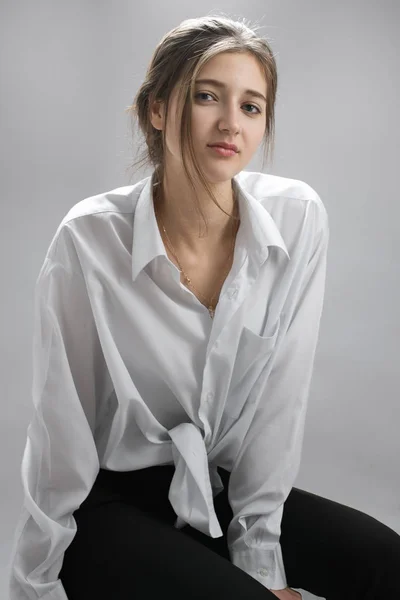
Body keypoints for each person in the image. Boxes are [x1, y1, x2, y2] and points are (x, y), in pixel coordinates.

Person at [7, 14, 400, 600]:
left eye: (251, 105)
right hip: (110, 505)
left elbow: (277, 410)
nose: (230, 123)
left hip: (219, 493)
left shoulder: (298, 221)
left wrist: (260, 560)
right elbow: (60, 432)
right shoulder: (89, 240)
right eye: (206, 96)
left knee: (388, 564)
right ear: (158, 110)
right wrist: (36, 583)